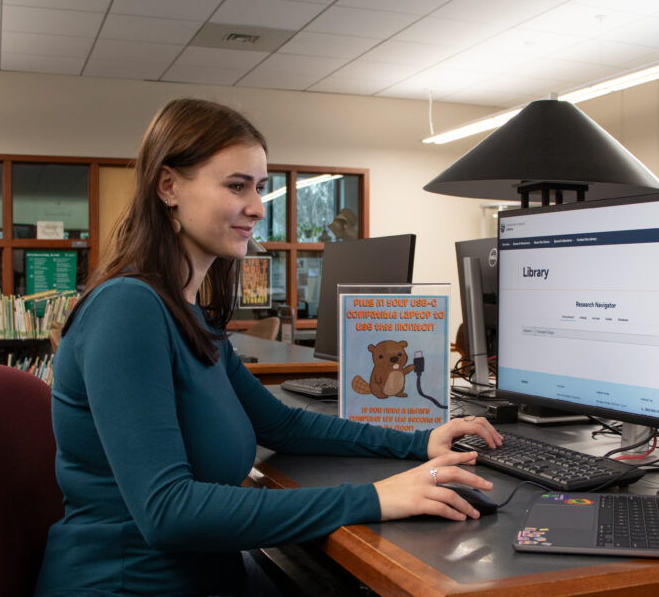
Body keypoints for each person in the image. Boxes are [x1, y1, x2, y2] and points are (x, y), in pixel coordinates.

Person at [34, 98, 503, 597]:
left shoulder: (187, 314)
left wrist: (416, 443)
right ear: (168, 186)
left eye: (259, 187)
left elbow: (282, 423)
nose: (258, 206)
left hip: (208, 577)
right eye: (236, 186)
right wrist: (373, 498)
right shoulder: (126, 308)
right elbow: (167, 512)